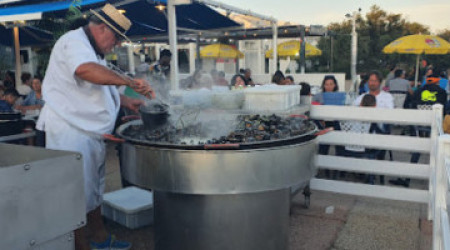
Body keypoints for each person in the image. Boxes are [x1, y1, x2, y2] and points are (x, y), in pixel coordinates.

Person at [36, 4, 154, 250]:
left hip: (89, 133)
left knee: (93, 189)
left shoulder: (93, 50)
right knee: (74, 194)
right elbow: (85, 71)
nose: (117, 45)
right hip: (69, 131)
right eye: (116, 39)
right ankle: (81, 245)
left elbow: (99, 86)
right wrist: (131, 81)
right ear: (102, 28)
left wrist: (126, 100)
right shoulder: (73, 41)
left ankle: (99, 238)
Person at [353, 70, 394, 185]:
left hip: (380, 133)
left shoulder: (387, 97)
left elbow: (390, 115)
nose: (372, 83)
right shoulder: (360, 97)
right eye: (370, 80)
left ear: (380, 82)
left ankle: (371, 171)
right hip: (361, 134)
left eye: (375, 81)